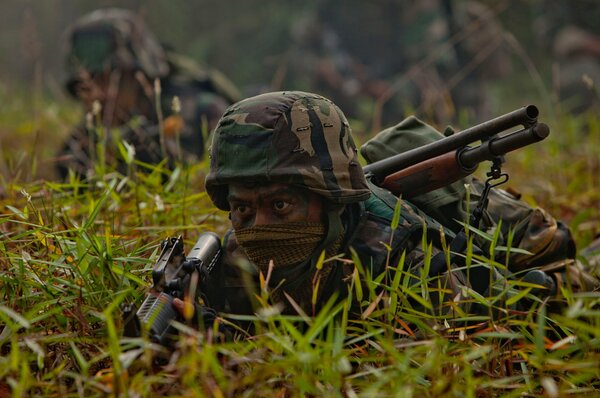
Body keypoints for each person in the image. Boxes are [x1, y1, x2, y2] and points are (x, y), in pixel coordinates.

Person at [175, 91, 597, 331]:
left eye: (280, 205)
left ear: (331, 198)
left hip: (518, 261)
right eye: (242, 210)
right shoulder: (225, 266)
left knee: (568, 274)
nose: (259, 227)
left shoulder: (400, 262)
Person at [56, 8, 240, 178]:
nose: (100, 94)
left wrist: (161, 156)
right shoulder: (83, 140)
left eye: (113, 79)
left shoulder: (200, 109)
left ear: (140, 76)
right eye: (87, 85)